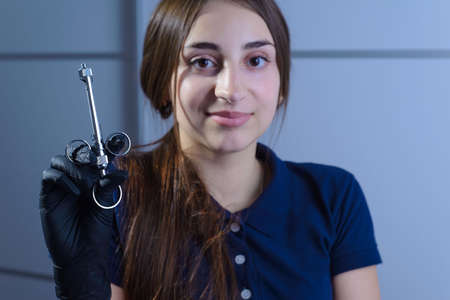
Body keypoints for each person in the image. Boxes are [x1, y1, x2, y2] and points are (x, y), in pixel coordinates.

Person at [39, 0, 383, 299]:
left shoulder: (334, 196)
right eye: (202, 61)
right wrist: (81, 287)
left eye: (257, 60)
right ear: (162, 82)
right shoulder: (114, 199)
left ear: (281, 84)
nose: (231, 90)